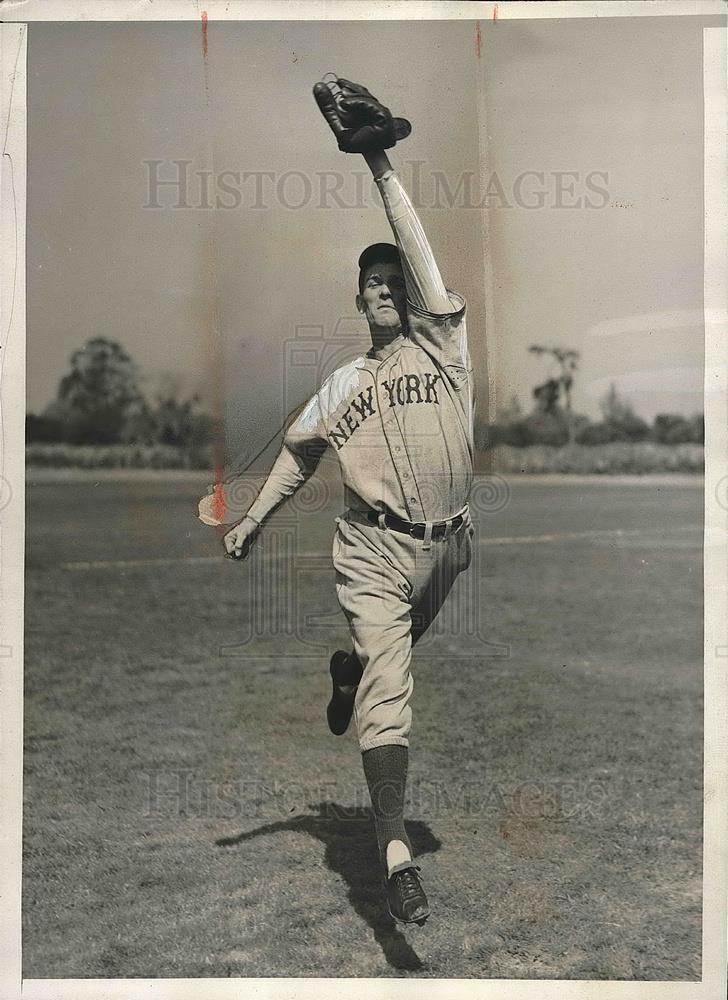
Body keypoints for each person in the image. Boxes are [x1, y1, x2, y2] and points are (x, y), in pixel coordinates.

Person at [200, 78, 476, 926]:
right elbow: (293, 460)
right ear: (359, 300)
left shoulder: (447, 344)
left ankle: (349, 670)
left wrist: (378, 161)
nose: (389, 287)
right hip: (370, 553)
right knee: (394, 691)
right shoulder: (342, 383)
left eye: (396, 278)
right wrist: (249, 522)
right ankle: (395, 855)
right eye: (374, 283)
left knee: (379, 664)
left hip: (451, 546)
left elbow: (419, 253)